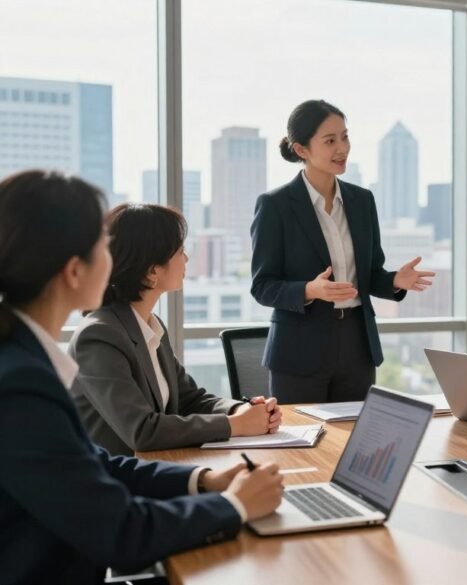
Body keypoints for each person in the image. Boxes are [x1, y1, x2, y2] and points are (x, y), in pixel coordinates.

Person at [0, 170, 283, 584]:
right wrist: (235, 506)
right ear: (74, 271)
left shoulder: (24, 365)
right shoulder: (20, 385)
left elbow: (97, 464)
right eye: (103, 247)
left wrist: (203, 480)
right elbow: (122, 531)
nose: (114, 260)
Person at [251, 100, 434, 405]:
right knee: (303, 448)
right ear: (301, 150)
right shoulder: (275, 206)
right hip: (299, 351)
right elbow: (262, 286)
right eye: (330, 141)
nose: (342, 148)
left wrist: (394, 282)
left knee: (356, 445)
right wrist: (311, 290)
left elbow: (370, 275)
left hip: (356, 347)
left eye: (345, 137)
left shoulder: (362, 201)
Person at [68, 203, 281, 456]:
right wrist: (235, 425)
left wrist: (240, 410)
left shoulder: (149, 324)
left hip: (159, 466)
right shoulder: (99, 337)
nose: (186, 258)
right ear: (152, 272)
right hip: (116, 484)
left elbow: (190, 399)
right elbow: (142, 431)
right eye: (180, 250)